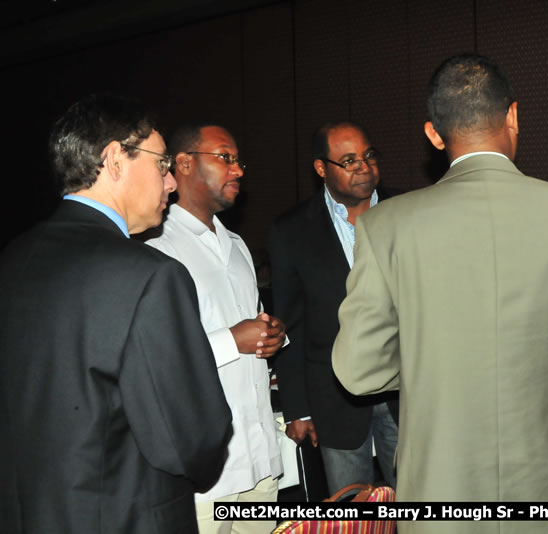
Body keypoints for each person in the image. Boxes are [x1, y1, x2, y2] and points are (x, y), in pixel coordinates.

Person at [331, 53, 548, 534]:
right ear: (512, 116)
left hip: (438, 484)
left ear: (434, 133)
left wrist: (432, 369)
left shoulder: (386, 226)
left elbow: (360, 371)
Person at [0, 94, 232, 534]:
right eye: (163, 164)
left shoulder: (14, 259)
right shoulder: (149, 274)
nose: (171, 184)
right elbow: (192, 436)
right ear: (115, 160)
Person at [147, 123, 287, 534]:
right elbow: (153, 359)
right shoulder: (155, 247)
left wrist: (272, 335)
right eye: (225, 157)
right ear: (185, 164)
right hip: (206, 476)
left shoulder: (238, 245)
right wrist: (233, 340)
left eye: (238, 160)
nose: (239, 169)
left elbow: (253, 323)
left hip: (259, 463)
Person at [269, 121, 400, 494]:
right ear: (321, 168)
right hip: (333, 398)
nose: (363, 166)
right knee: (349, 512)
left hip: (405, 394)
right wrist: (298, 408)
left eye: (368, 155)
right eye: (348, 160)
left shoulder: (408, 212)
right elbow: (290, 322)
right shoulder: (291, 231)